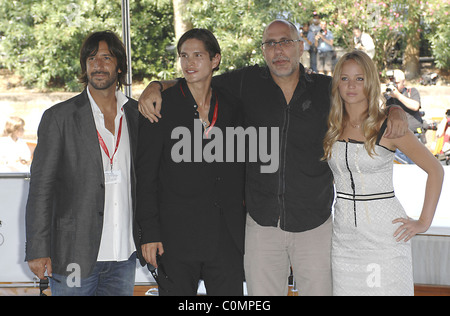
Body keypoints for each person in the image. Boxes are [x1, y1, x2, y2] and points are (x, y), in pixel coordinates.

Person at [138, 20, 408, 296]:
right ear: (263, 51)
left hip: (313, 223)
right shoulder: (245, 83)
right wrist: (156, 85)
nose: (278, 51)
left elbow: (361, 97)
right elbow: (198, 78)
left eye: (286, 42)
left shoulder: (325, 89)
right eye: (271, 44)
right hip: (262, 225)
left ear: (301, 47)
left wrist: (393, 108)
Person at [25, 31, 143, 296]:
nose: (98, 65)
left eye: (106, 57)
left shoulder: (136, 115)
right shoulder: (60, 118)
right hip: (73, 254)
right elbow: (41, 189)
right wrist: (38, 249)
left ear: (120, 65)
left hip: (123, 254)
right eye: (91, 58)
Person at [323, 50, 444, 296]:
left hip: (384, 239)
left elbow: (435, 170)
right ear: (337, 82)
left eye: (359, 79)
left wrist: (423, 222)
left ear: (370, 81)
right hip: (343, 240)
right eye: (344, 78)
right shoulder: (331, 125)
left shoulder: (389, 126)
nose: (351, 86)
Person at [136, 28, 246, 296]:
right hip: (175, 238)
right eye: (184, 56)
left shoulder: (233, 105)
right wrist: (149, 232)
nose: (189, 63)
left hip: (225, 239)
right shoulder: (160, 106)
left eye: (198, 55)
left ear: (215, 60)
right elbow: (145, 176)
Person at [384, 69, 423, 163]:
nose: (394, 85)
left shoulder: (411, 91)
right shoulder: (388, 96)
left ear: (403, 82)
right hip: (397, 138)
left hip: (414, 137)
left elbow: (415, 106)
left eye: (396, 82)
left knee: (416, 167)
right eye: (392, 82)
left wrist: (397, 96)